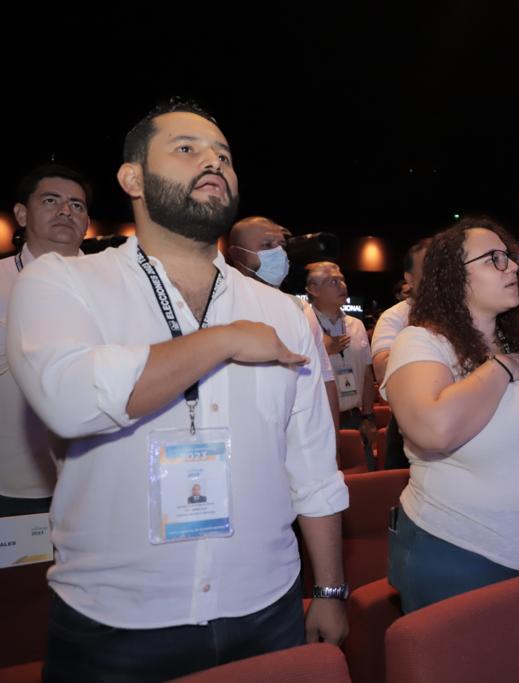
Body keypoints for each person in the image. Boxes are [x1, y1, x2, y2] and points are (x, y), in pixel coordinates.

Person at [7, 99, 349, 682]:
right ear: (132, 178)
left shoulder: (284, 314)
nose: (213, 162)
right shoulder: (64, 281)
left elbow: (313, 466)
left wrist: (333, 588)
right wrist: (223, 341)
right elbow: (70, 401)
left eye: (224, 156)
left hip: (267, 608)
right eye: (186, 149)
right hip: (114, 624)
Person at [383, 217, 519, 612]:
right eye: (494, 259)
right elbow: (434, 430)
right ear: (453, 277)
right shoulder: (422, 342)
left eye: (510, 257)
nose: (513, 266)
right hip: (459, 556)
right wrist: (497, 370)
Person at [0, 163, 90, 517]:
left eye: (77, 205)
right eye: (51, 200)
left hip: (94, 481)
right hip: (13, 484)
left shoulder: (114, 285)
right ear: (22, 214)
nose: (66, 211)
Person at [227, 216, 340, 430]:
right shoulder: (222, 304)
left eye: (281, 245)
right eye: (267, 245)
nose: (278, 253)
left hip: (293, 434)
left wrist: (333, 450)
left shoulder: (298, 308)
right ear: (237, 253)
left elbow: (324, 380)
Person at [306, 262, 376, 467]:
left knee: (363, 484)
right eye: (333, 282)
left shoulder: (357, 325)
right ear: (313, 290)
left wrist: (368, 416)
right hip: (320, 421)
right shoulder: (302, 324)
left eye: (342, 280)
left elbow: (366, 374)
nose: (342, 285)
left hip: (356, 419)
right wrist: (321, 351)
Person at [371, 237, 431, 469]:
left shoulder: (471, 312)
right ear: (409, 277)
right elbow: (383, 368)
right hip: (411, 423)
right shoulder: (395, 316)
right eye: (427, 265)